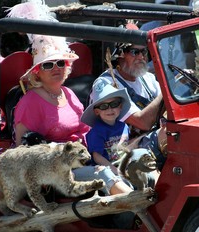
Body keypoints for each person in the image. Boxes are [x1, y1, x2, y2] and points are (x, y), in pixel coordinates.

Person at [14, 34, 133, 196]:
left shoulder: (68, 93)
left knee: (138, 159)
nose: (56, 68)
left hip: (91, 157)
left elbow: (88, 130)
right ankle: (139, 208)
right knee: (103, 173)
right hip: (59, 173)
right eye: (48, 65)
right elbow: (23, 150)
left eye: (61, 63)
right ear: (37, 72)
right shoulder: (30, 102)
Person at [90, 22, 167, 169]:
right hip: (123, 151)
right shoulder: (108, 82)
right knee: (172, 134)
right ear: (120, 55)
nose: (141, 57)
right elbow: (142, 122)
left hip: (151, 141)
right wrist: (167, 89)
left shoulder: (148, 78)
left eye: (143, 52)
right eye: (134, 52)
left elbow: (167, 106)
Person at [81, 83, 131, 175]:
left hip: (124, 166)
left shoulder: (125, 127)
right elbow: (97, 157)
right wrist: (116, 172)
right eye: (103, 106)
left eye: (114, 104)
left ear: (120, 107)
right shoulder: (96, 132)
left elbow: (127, 147)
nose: (110, 109)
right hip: (106, 170)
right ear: (97, 112)